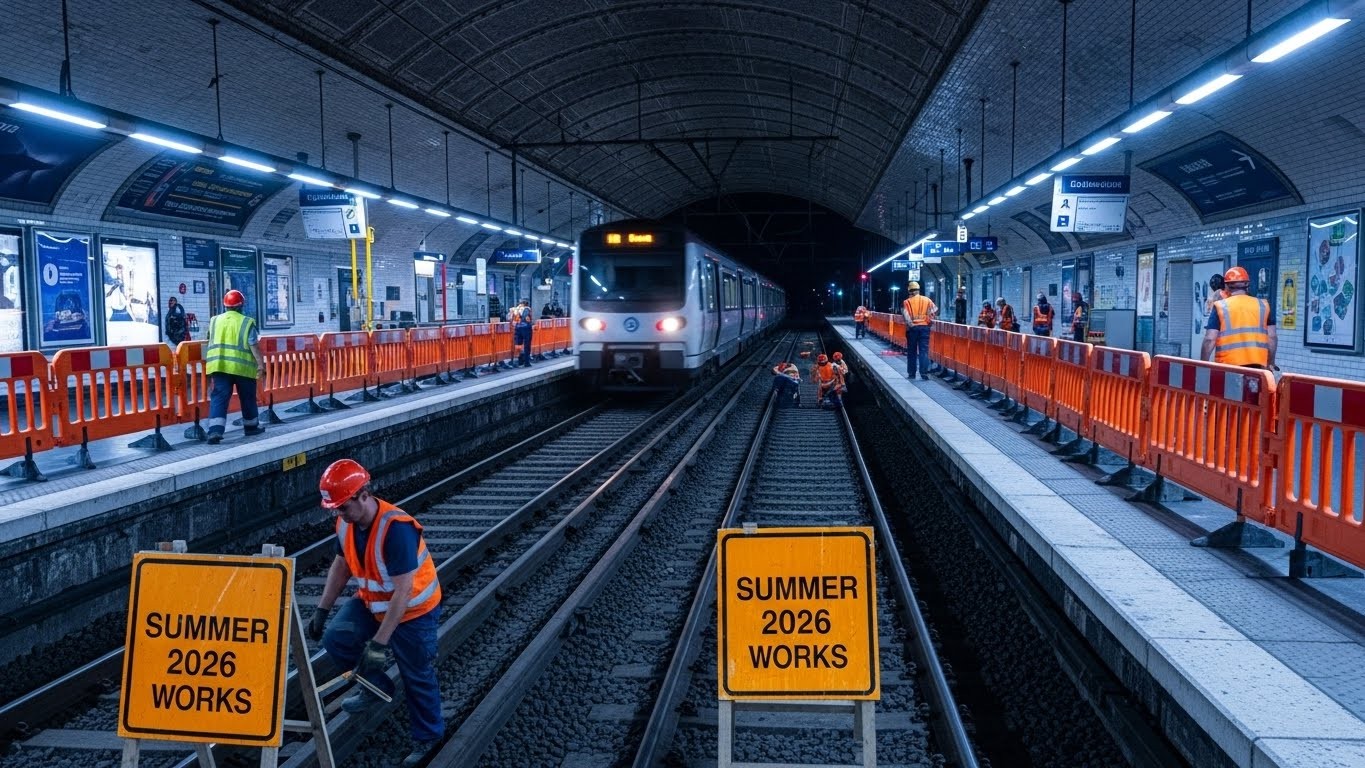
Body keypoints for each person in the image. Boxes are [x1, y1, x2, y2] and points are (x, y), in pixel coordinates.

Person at [308, 459, 443, 768]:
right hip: (373, 602)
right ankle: (375, 687)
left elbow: (403, 592)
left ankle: (429, 737)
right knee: (337, 639)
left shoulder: (396, 529)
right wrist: (322, 610)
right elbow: (341, 565)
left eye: (342, 506)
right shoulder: (345, 523)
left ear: (363, 495)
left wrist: (379, 645)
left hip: (413, 611)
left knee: (417, 675)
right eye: (335, 508)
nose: (338, 513)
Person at [205, 289, 263, 444]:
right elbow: (253, 345)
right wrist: (261, 364)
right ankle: (251, 427)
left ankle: (214, 431)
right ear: (241, 305)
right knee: (247, 397)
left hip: (219, 366)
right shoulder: (246, 321)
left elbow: (210, 339)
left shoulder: (214, 320)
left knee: (219, 397)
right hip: (242, 368)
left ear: (225, 306)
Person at [1201, 266, 1277, 369]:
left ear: (1227, 285)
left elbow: (1210, 339)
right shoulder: (1263, 305)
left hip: (1228, 366)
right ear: (1247, 284)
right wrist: (1270, 362)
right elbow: (1272, 337)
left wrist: (1203, 364)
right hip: (1258, 366)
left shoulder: (1220, 306)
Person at [901, 281, 937, 380]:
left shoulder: (907, 302)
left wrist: (911, 325)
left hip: (912, 329)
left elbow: (906, 315)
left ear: (910, 292)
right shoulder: (928, 300)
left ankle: (912, 374)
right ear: (918, 290)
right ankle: (924, 373)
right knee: (923, 351)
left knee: (911, 352)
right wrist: (928, 321)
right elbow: (934, 311)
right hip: (925, 328)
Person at [509, 298, 534, 367]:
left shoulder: (514, 309)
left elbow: (510, 318)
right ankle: (526, 362)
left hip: (517, 328)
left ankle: (520, 360)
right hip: (526, 328)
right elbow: (526, 317)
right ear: (526, 303)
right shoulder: (527, 309)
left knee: (518, 344)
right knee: (527, 345)